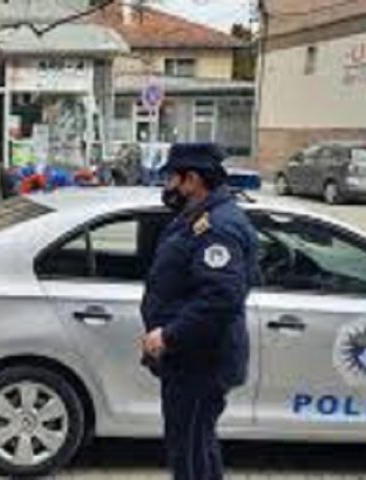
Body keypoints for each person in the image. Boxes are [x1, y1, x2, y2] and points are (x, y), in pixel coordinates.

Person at [139, 143, 259, 480]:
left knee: (190, 451)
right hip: (190, 358)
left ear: (192, 180)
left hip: (201, 360)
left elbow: (220, 298)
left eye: (172, 179)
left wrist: (169, 335)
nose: (168, 187)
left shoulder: (217, 227)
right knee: (195, 445)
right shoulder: (195, 218)